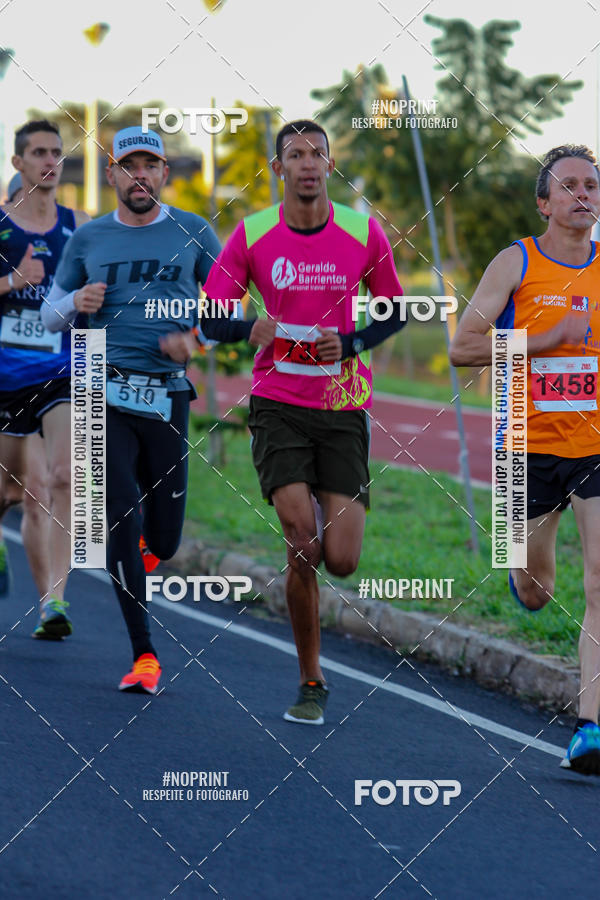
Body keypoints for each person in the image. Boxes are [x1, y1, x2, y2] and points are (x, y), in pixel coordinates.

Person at [161, 119, 405, 724]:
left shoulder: (363, 231)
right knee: (302, 543)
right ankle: (311, 680)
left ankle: (324, 510)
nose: (307, 163)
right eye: (295, 154)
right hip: (277, 406)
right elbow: (212, 318)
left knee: (341, 558)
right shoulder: (253, 234)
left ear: (330, 166)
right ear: (278, 169)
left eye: (317, 153)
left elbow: (396, 310)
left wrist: (352, 342)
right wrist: (251, 327)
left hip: (343, 405)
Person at [43, 126, 221, 693]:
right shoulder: (89, 238)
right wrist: (76, 301)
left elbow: (229, 304)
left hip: (167, 391)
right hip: (101, 385)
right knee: (120, 513)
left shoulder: (194, 231)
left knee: (163, 539)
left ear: (164, 173)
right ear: (112, 175)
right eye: (128, 166)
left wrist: (195, 339)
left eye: (149, 165)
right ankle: (144, 654)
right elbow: (49, 314)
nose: (139, 175)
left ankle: (143, 548)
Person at [450, 144, 600, 775]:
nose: (583, 194)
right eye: (569, 185)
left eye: (591, 185)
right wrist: (543, 340)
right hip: (522, 445)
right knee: (537, 592)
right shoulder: (516, 262)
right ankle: (520, 575)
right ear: (544, 203)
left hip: (593, 446)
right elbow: (462, 347)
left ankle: (589, 728)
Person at [0, 120, 89, 630]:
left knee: (53, 482)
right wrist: (14, 281)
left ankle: (53, 603)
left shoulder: (81, 227)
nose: (50, 160)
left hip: (61, 371)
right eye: (38, 152)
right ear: (19, 163)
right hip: (6, 375)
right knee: (10, 492)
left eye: (56, 152)